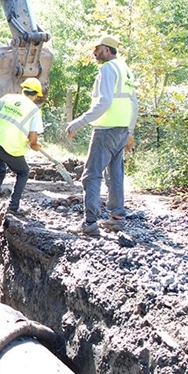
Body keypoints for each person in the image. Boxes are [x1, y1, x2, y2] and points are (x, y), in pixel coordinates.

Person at [66, 35, 139, 236]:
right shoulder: (125, 69)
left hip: (106, 129)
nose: (94, 52)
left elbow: (104, 101)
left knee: (92, 175)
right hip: (121, 129)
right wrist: (130, 131)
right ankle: (117, 218)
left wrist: (79, 122)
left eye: (97, 49)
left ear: (107, 50)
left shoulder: (107, 68)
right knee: (115, 174)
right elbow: (134, 104)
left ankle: (89, 223)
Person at [0, 77, 45, 218]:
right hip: (9, 146)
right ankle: (13, 207)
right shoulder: (34, 110)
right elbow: (33, 137)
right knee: (23, 172)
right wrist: (34, 145)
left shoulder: (8, 98)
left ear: (23, 90)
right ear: (36, 95)